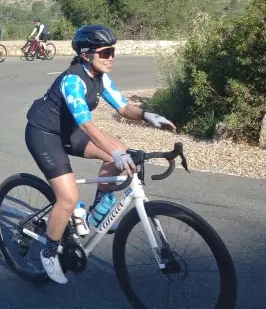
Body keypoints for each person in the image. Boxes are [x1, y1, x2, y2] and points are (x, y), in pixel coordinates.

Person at [24, 24, 176, 284]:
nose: (111, 57)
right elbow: (87, 126)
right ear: (86, 55)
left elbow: (124, 107)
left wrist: (148, 115)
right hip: (44, 134)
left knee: (118, 146)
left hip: (68, 131)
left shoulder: (101, 78)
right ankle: (49, 252)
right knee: (68, 197)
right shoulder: (73, 80)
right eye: (105, 52)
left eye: (112, 51)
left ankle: (97, 211)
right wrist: (116, 154)